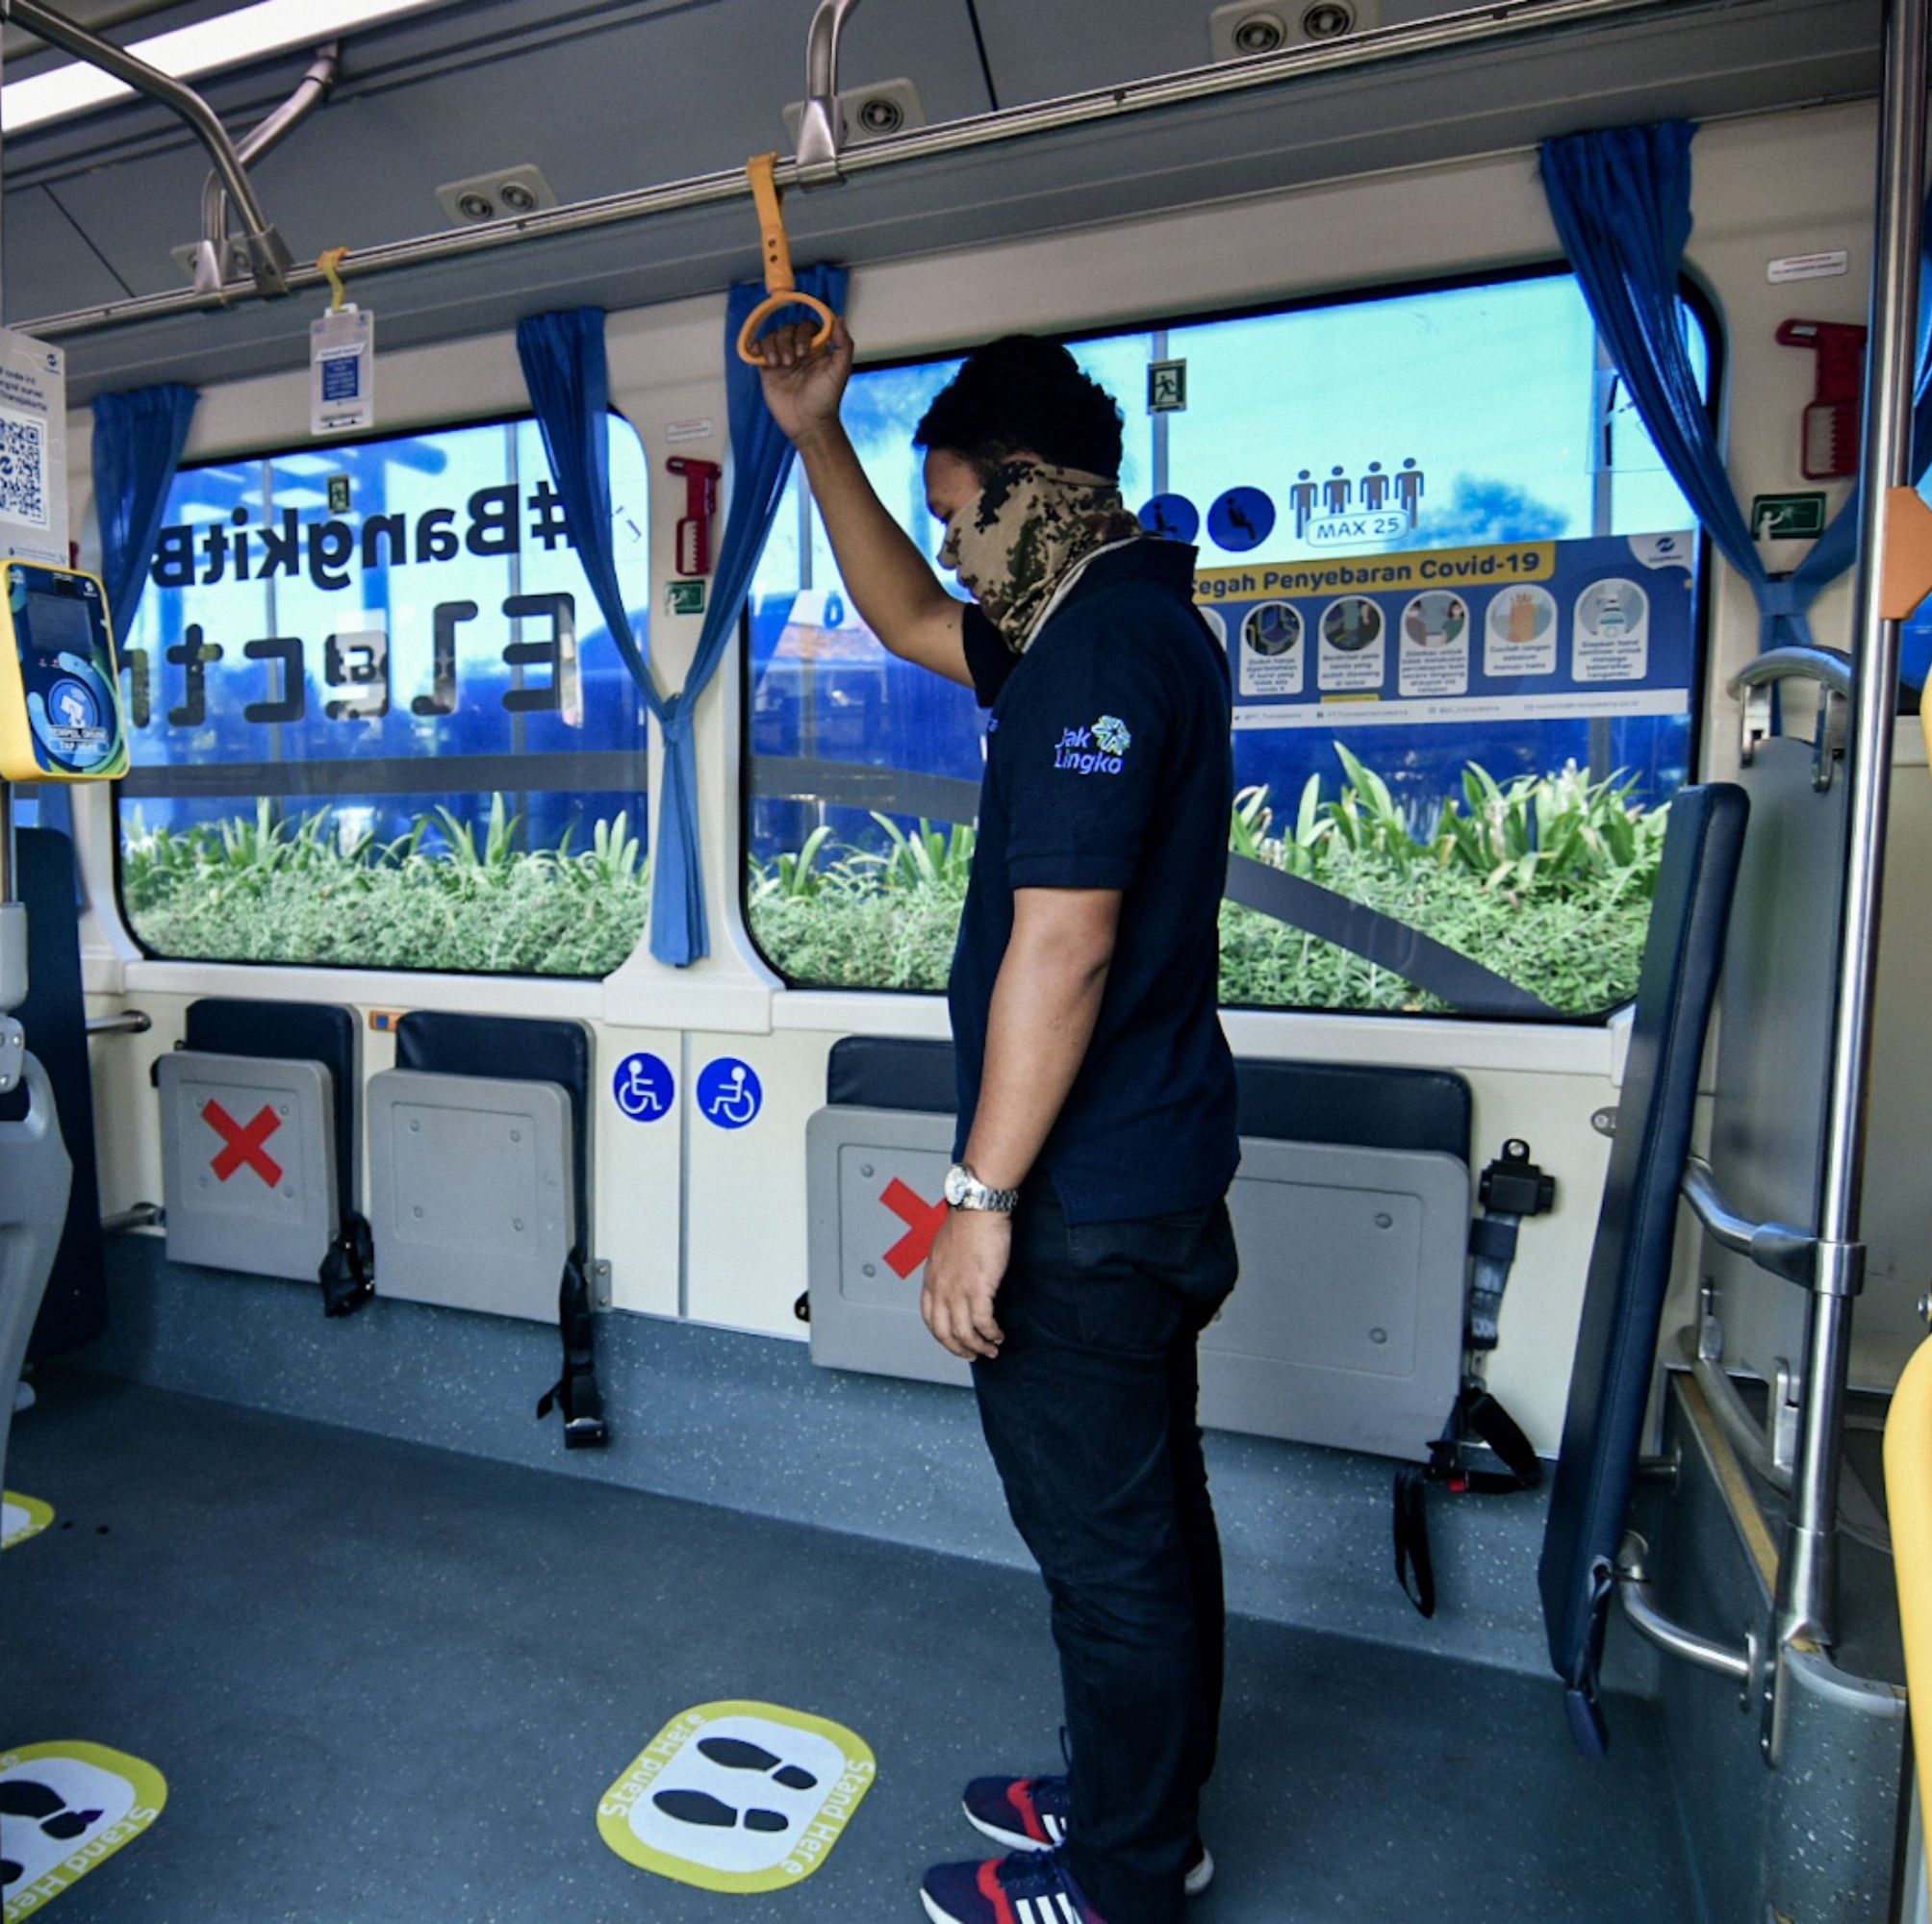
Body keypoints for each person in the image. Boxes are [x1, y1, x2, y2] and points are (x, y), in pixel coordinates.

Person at [758, 324, 1241, 1924]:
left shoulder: (1098, 656)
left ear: (1035, 493)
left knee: (1111, 1559)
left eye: (965, 515)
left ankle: (1119, 1883)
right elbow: (902, 615)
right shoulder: (1111, 623)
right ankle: (1139, 1812)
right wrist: (816, 434)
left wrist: (980, 1192)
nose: (955, 553)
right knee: (1152, 1523)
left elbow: (1068, 940)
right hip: (1147, 1175)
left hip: (1086, 1203)